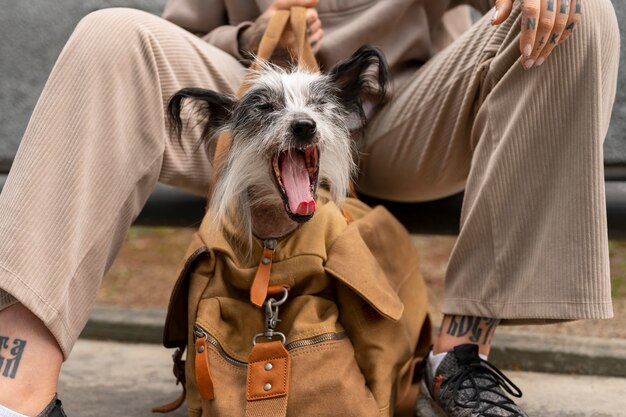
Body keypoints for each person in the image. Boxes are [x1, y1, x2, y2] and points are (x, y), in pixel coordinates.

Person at [0, 0, 619, 415]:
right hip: (255, 108)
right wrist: (248, 37)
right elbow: (186, 31)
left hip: (401, 116)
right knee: (111, 36)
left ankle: (458, 358)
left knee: (574, 11)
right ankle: (15, 375)